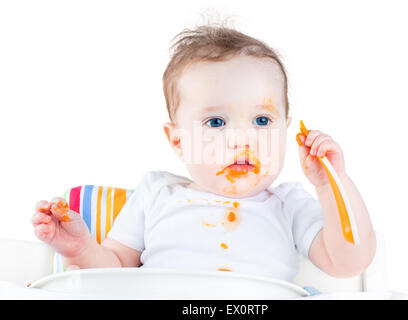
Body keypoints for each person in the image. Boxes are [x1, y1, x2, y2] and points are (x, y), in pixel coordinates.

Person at [32, 25, 376, 281]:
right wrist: (81, 249)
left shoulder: (288, 205)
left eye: (261, 119)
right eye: (215, 122)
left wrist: (332, 183)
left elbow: (349, 263)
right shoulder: (157, 194)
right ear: (178, 140)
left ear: (285, 128)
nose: (242, 140)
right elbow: (116, 273)